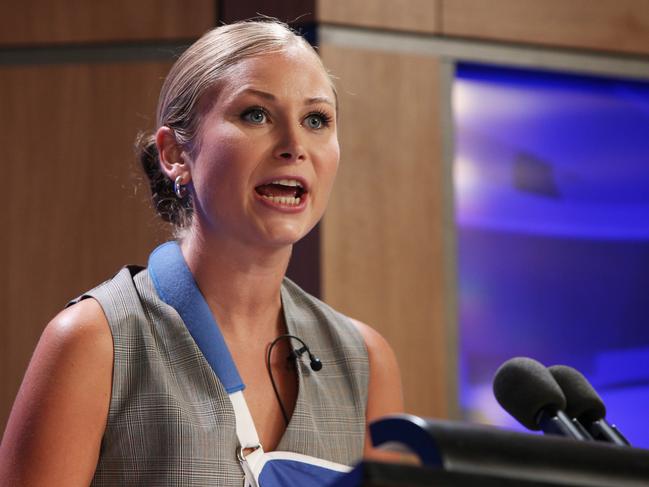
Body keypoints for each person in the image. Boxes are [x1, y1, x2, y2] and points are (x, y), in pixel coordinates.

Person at [0, 19, 403, 486]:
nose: (295, 147)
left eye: (316, 120)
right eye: (256, 114)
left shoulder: (365, 361)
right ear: (175, 154)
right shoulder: (93, 343)